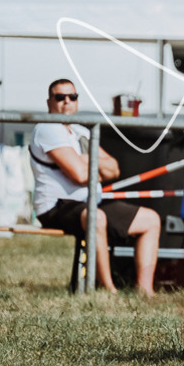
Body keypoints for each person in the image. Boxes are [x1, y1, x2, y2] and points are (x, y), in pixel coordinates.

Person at [29, 79, 161, 294]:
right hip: (55, 206)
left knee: (151, 220)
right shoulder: (47, 128)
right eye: (60, 97)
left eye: (72, 97)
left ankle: (145, 291)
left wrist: (84, 159)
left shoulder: (82, 131)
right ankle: (108, 290)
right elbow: (80, 175)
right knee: (95, 217)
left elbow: (115, 170)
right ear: (49, 102)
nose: (67, 102)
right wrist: (91, 164)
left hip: (91, 202)